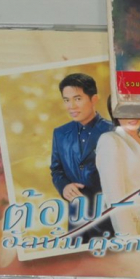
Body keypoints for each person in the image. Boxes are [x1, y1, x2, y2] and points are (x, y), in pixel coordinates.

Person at [50, 73, 114, 241]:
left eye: (77, 99)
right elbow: (56, 170)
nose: (71, 106)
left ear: (94, 99)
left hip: (109, 219)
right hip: (76, 223)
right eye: (66, 100)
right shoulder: (60, 133)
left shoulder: (113, 131)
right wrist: (64, 186)